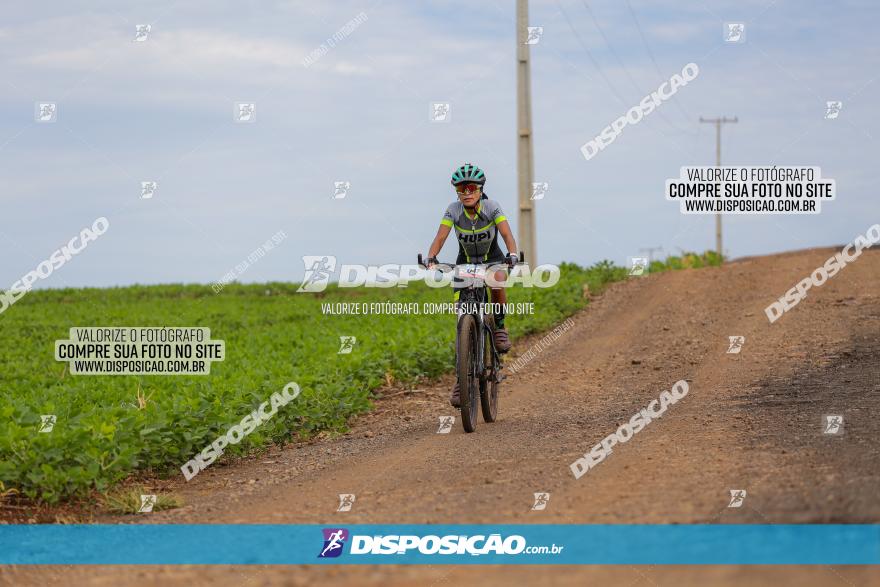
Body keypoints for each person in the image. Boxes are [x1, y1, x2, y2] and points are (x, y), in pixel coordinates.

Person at [425, 163, 519, 407]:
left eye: (470, 188)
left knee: (497, 281)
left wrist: (513, 253)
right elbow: (440, 237)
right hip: (464, 263)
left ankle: (499, 327)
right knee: (461, 318)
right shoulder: (453, 210)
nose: (466, 192)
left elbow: (506, 233)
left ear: (480, 189)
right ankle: (462, 378)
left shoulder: (491, 207)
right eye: (460, 189)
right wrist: (431, 257)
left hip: (493, 260)